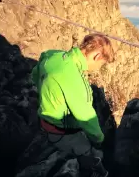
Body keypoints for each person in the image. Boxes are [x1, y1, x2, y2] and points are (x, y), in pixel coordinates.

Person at [30, 33, 115, 163]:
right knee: (94, 156)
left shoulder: (53, 55)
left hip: (43, 119)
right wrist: (99, 139)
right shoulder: (74, 79)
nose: (98, 68)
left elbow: (35, 74)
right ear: (97, 56)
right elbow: (86, 117)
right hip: (59, 131)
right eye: (101, 64)